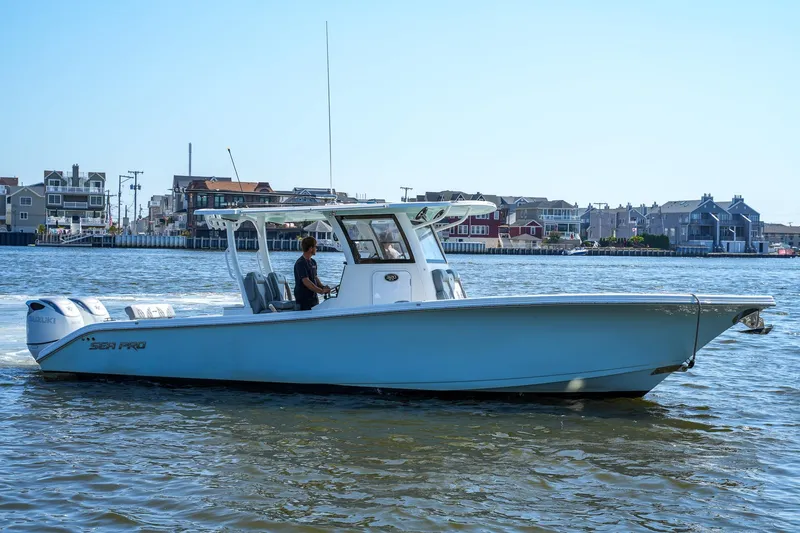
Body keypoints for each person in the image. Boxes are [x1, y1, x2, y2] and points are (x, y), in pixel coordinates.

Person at [294, 236, 330, 311]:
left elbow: (315, 277)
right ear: (310, 248)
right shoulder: (300, 263)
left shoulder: (313, 262)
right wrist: (320, 291)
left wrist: (323, 287)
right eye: (315, 247)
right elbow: (306, 281)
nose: (316, 249)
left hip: (313, 298)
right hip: (304, 300)